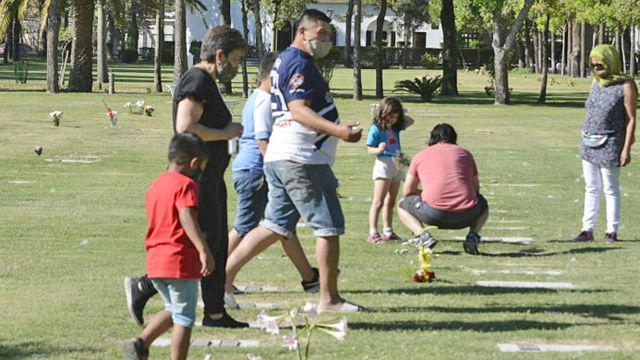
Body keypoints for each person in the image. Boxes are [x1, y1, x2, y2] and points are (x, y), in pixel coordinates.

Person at [225, 9, 366, 313]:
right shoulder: (298, 62)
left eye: (329, 34)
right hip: (301, 158)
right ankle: (329, 300)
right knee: (328, 226)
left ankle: (219, 280)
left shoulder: (287, 61)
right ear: (303, 32)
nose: (326, 39)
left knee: (274, 225)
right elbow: (299, 109)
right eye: (321, 33)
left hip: (282, 155)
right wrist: (338, 131)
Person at [124, 25, 248, 328]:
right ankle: (144, 286)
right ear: (219, 55)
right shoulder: (197, 80)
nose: (235, 66)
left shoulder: (205, 81)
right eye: (234, 59)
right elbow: (185, 126)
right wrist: (224, 133)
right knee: (203, 244)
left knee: (214, 243)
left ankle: (215, 312)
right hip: (199, 177)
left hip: (210, 175)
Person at [224, 53, 318, 307]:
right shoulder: (264, 100)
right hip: (256, 171)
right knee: (245, 227)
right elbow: (263, 142)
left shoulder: (258, 97)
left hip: (254, 170)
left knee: (281, 224)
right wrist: (278, 173)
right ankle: (217, 277)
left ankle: (310, 278)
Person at [122, 133, 215, 360]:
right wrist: (203, 249)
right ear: (194, 163)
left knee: (173, 308)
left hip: (155, 261)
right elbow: (186, 215)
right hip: (179, 261)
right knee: (184, 317)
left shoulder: (156, 184)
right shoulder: (187, 184)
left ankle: (141, 343)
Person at [573, 44, 636, 244]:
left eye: (600, 63)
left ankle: (611, 231)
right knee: (591, 187)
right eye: (593, 64)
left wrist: (626, 148)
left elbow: (631, 119)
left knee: (610, 187)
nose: (597, 67)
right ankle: (587, 229)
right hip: (588, 141)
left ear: (610, 60)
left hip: (611, 143)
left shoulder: (625, 85)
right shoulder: (596, 82)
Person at [398, 123, 489, 255]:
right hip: (467, 214)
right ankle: (473, 236)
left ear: (432, 138)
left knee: (402, 204)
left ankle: (422, 235)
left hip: (433, 214)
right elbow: (476, 190)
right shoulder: (465, 154)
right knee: (483, 203)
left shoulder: (421, 155)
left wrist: (426, 194)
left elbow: (407, 191)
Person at [365, 97, 414, 244]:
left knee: (391, 201)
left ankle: (388, 231)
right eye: (390, 115)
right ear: (383, 112)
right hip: (383, 164)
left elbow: (411, 121)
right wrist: (378, 149)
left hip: (398, 161)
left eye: (396, 116)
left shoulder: (396, 127)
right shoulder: (376, 128)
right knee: (378, 201)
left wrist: (401, 113)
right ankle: (373, 232)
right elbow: (369, 149)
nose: (393, 119)